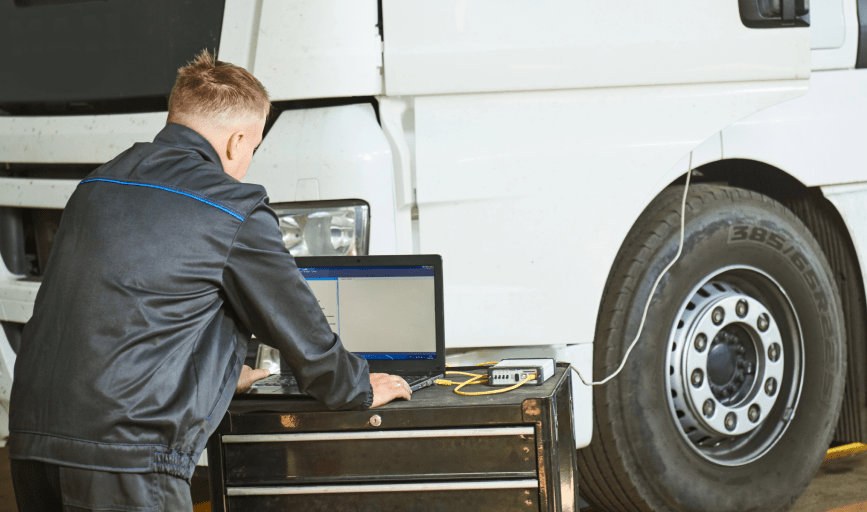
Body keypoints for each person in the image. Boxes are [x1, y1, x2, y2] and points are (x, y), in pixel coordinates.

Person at [7, 50, 411, 511]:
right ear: (238, 141)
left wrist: (214, 377)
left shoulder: (97, 187)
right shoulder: (231, 206)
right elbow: (303, 334)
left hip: (32, 442)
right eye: (253, 149)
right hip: (125, 458)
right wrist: (357, 386)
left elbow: (120, 312)